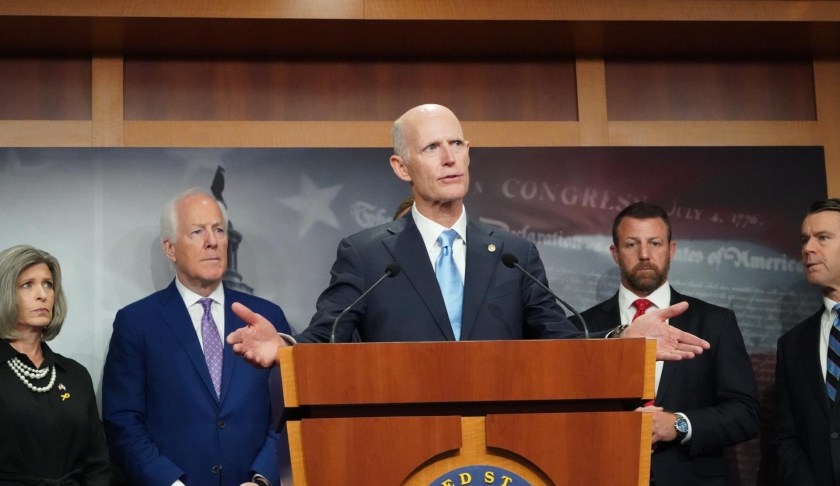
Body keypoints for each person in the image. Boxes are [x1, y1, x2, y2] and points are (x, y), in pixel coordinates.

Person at [227, 103, 709, 367]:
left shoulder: (513, 254)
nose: (450, 157)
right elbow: (327, 338)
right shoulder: (368, 254)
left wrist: (625, 339)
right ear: (401, 166)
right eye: (432, 147)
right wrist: (283, 347)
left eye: (457, 143)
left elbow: (565, 344)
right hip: (404, 439)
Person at [102, 189, 290, 486]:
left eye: (218, 230)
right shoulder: (137, 323)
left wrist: (263, 478)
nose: (212, 241)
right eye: (197, 231)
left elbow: (288, 412)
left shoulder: (266, 318)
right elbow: (123, 422)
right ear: (170, 248)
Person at [573, 202, 760, 485]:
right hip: (604, 474)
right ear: (615, 253)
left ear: (671, 250)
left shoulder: (715, 322)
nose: (645, 254)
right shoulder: (582, 328)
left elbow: (745, 413)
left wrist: (678, 424)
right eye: (632, 244)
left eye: (655, 243)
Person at [0, 245, 110, 485]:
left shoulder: (75, 375)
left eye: (48, 284)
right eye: (27, 284)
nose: (43, 294)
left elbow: (97, 463)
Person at [774, 197, 840, 486]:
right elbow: (786, 437)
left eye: (822, 237)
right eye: (804, 239)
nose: (808, 249)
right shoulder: (792, 344)